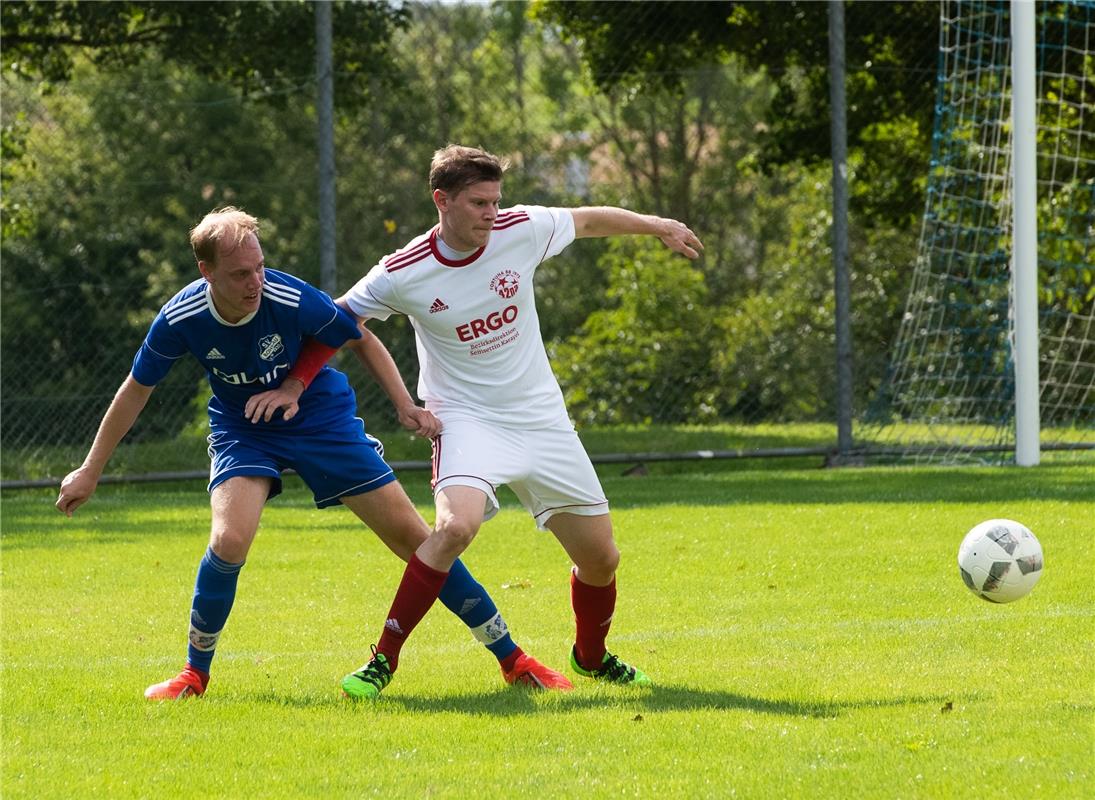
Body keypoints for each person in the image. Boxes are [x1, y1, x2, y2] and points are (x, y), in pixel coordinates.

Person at [55, 206, 572, 701]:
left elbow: (360, 337)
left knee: (417, 539)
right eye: (239, 274)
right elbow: (136, 389)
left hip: (321, 418)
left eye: (258, 266)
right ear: (205, 271)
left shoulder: (287, 295)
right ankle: (193, 673)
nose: (255, 281)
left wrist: (404, 405)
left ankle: (513, 659)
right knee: (229, 539)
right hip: (245, 428)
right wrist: (90, 469)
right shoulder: (182, 316)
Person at [249, 145, 704, 699]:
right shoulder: (403, 271)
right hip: (465, 420)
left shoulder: (520, 229)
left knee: (601, 559)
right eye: (478, 203)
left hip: (541, 417)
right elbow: (338, 318)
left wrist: (659, 226)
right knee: (454, 528)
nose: (491, 213)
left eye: (495, 201)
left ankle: (590, 656)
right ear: (441, 201)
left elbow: (586, 220)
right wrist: (295, 382)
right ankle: (382, 660)